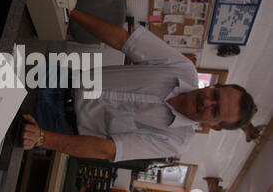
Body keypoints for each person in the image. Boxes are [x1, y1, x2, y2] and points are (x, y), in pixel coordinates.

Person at [22, 9, 257, 162]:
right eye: (214, 94)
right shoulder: (182, 68)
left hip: (56, 122)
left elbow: (107, 149)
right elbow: (122, 40)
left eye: (214, 110)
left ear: (214, 126)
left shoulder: (175, 141)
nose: (207, 101)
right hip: (61, 76)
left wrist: (43, 138)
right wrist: (69, 12)